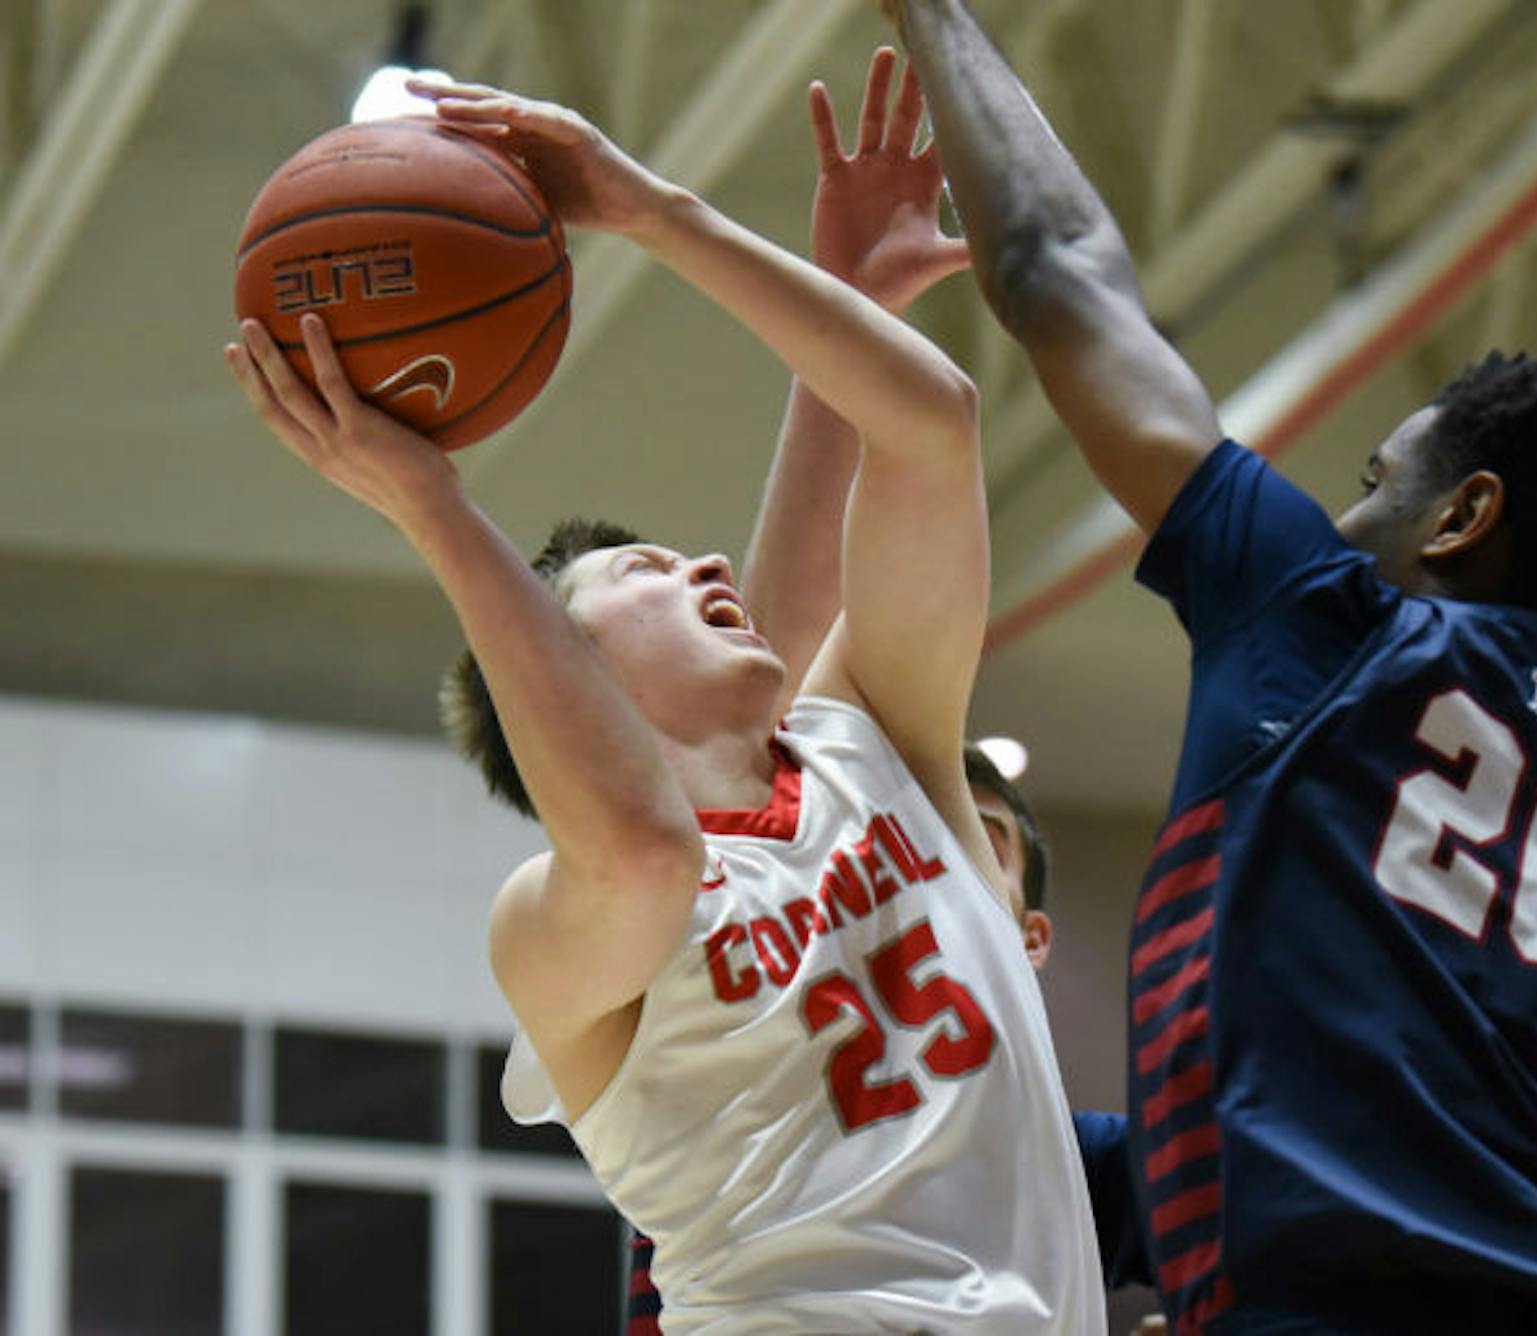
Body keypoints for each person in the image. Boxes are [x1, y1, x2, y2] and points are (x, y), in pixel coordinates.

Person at [880, 3, 1537, 1332]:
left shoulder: (1338, 628)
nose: (1342, 519)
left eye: (1377, 481)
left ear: (1462, 518)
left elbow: (1054, 268)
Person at [224, 59, 1104, 1332]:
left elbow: (931, 424)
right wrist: (430, 501)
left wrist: (659, 215)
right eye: (642, 568)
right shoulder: (557, 924)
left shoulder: (879, 751)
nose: (702, 564)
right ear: (570, 668)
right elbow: (638, 841)